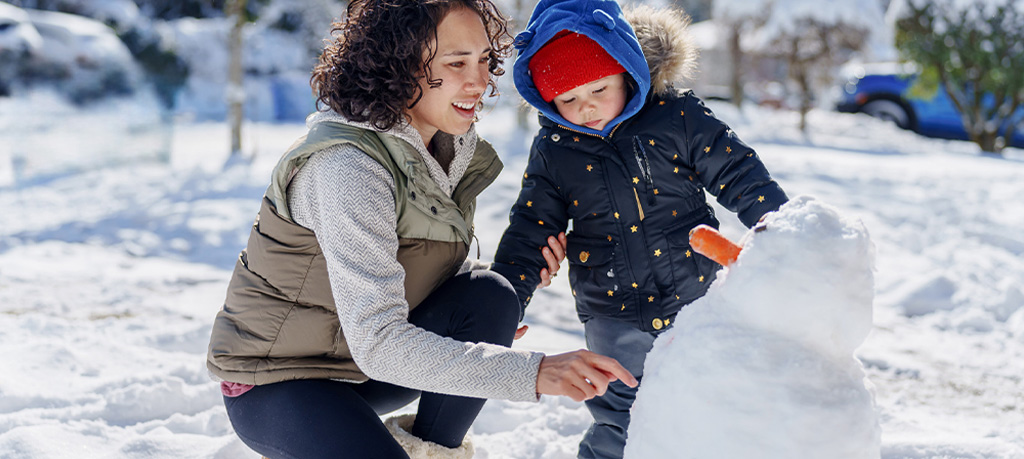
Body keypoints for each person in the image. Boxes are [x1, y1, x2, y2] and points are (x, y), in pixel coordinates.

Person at [205, 1, 637, 458]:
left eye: (484, 61)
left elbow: (414, 273)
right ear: (397, 63)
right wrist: (533, 372)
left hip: (362, 368)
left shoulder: (441, 152)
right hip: (279, 380)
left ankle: (430, 450)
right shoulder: (347, 167)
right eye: (455, 63)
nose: (479, 82)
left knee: (490, 294)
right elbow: (380, 342)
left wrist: (504, 300)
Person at [490, 1, 790, 458]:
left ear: (626, 74)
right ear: (547, 100)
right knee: (620, 419)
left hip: (696, 296)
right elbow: (531, 229)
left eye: (598, 89)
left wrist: (782, 229)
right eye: (568, 99)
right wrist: (505, 300)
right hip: (612, 312)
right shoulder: (555, 150)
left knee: (713, 398)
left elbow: (739, 174)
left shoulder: (676, 118)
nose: (586, 108)